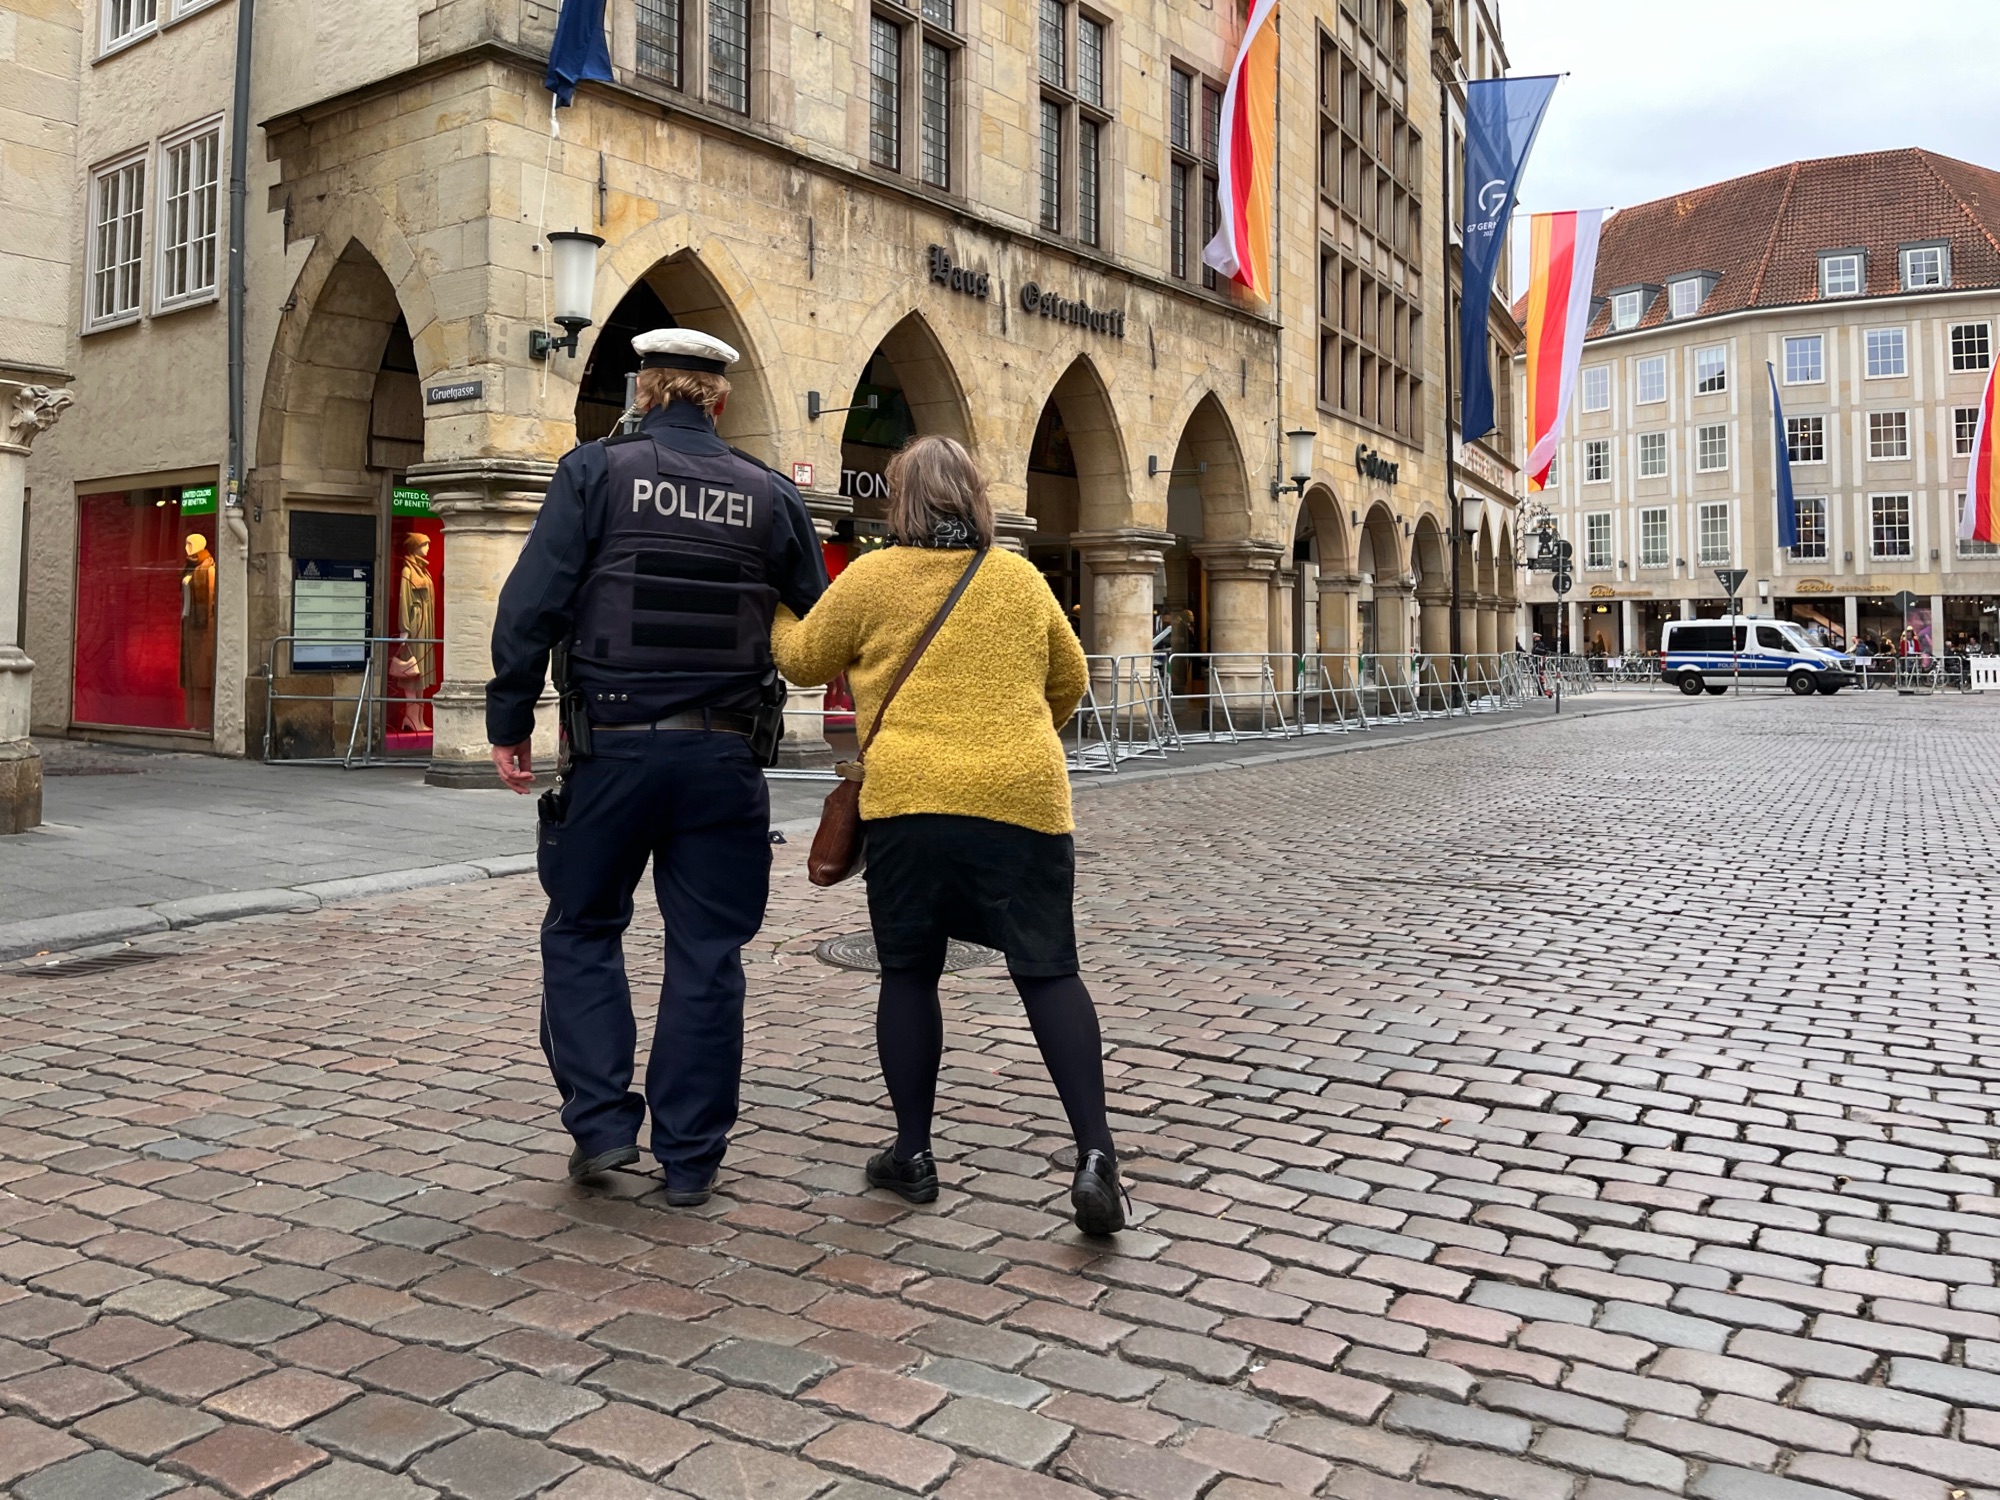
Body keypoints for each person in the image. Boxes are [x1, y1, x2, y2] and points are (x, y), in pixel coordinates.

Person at [487, 328, 827, 1202]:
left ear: (645, 390)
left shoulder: (594, 474)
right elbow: (819, 621)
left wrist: (510, 715)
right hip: (724, 754)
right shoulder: (768, 494)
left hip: (613, 748)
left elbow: (533, 601)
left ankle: (601, 1128)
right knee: (708, 954)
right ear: (718, 399)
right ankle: (690, 1162)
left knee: (582, 928)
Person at [771, 435, 1128, 1236]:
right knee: (1048, 972)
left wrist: (778, 600)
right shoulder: (1018, 579)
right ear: (974, 498)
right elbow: (1069, 679)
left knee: (909, 974)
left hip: (912, 801)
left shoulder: (871, 577)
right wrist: (1013, 736)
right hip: (1025, 798)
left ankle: (913, 1153)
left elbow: (799, 660)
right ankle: (1097, 1155)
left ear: (900, 501)